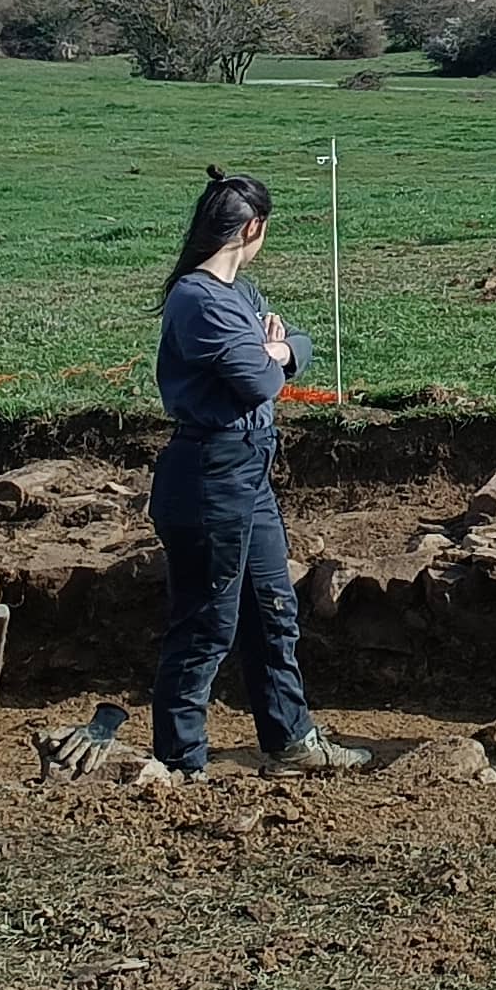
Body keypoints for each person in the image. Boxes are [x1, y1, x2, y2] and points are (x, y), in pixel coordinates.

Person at [149, 168, 368, 779]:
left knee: (273, 608)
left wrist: (278, 348)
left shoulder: (241, 296)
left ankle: (289, 741)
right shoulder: (196, 299)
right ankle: (179, 763)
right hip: (210, 473)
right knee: (207, 623)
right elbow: (263, 379)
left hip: (250, 470)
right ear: (254, 228)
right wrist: (273, 354)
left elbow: (299, 343)